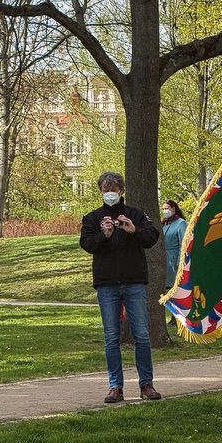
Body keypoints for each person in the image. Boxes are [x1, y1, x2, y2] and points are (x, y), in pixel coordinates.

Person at [80, 172, 162, 404]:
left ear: (121, 191)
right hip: (107, 283)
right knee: (111, 336)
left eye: (114, 190)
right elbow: (87, 244)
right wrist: (104, 235)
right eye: (106, 190)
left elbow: (151, 237)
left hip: (134, 281)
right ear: (100, 192)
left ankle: (146, 384)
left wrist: (133, 230)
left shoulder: (135, 214)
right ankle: (115, 386)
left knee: (142, 335)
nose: (110, 194)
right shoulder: (92, 218)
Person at [160, 199, 188, 290]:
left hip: (174, 259)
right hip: (163, 259)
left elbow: (183, 244)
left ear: (173, 208)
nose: (165, 211)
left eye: (167, 208)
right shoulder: (164, 223)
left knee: (173, 286)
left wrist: (180, 262)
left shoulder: (181, 223)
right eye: (163, 209)